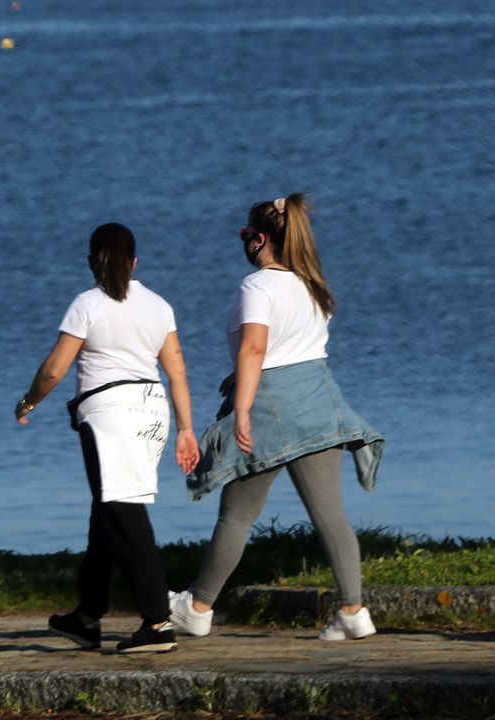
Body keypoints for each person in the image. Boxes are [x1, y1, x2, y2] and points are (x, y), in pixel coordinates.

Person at [170, 194, 384, 641]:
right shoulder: (312, 284)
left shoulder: (258, 287)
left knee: (235, 517)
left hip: (269, 407)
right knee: (331, 515)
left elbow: (255, 349)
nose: (242, 241)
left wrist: (242, 410)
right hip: (318, 404)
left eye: (246, 235)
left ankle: (197, 607)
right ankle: (353, 610)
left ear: (260, 240)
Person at [15, 222, 199, 653]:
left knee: (123, 512)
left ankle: (157, 622)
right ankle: (87, 616)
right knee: (109, 510)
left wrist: (28, 401)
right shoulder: (158, 305)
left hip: (109, 417)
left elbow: (54, 370)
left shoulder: (87, 304)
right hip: (153, 412)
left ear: (90, 262)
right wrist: (186, 429)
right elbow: (177, 371)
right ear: (134, 262)